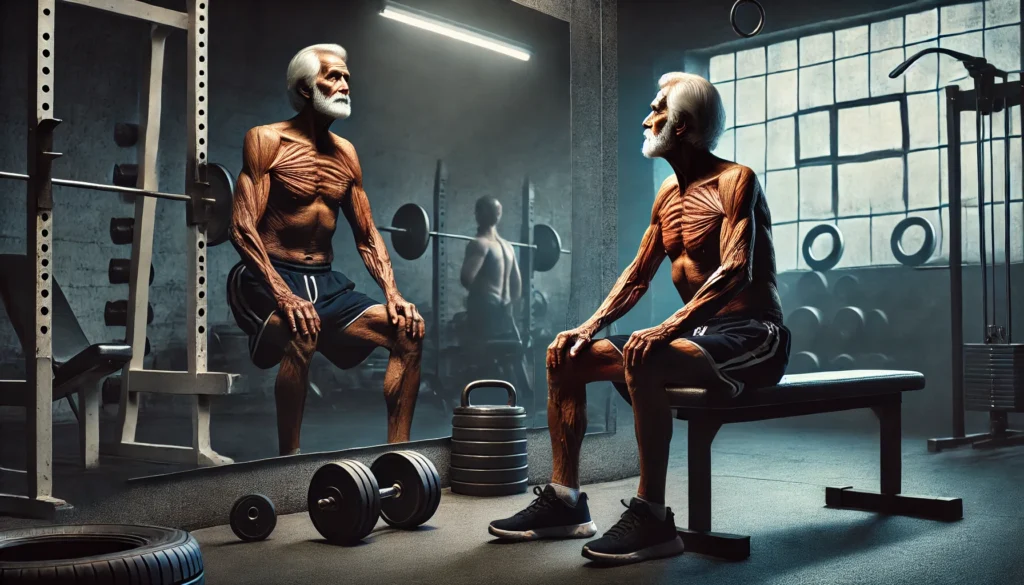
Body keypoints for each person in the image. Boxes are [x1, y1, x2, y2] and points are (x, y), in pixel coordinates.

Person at [488, 72, 790, 565]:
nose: (647, 118)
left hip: (756, 335)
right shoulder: (668, 195)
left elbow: (736, 270)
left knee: (644, 357)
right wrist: (588, 328)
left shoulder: (737, 181)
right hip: (701, 334)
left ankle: (652, 517)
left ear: (684, 124)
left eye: (658, 109)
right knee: (566, 359)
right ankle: (565, 503)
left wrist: (668, 327)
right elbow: (637, 275)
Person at [227, 44, 424, 456]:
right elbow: (242, 227)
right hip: (266, 276)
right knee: (304, 328)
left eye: (347, 77)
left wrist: (394, 294)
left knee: (407, 331)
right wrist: (283, 293)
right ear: (303, 88)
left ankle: (399, 458)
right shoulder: (266, 141)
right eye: (332, 76)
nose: (344, 84)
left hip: (325, 282)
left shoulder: (346, 155)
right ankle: (290, 460)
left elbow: (367, 234)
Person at [459, 196, 533, 415]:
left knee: (499, 356)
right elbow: (468, 278)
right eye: (494, 210)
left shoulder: (488, 245)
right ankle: (495, 405)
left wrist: (501, 303)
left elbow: (467, 278)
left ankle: (500, 405)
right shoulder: (499, 246)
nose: (496, 214)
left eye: (496, 210)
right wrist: (503, 303)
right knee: (497, 356)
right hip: (495, 310)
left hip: (493, 310)